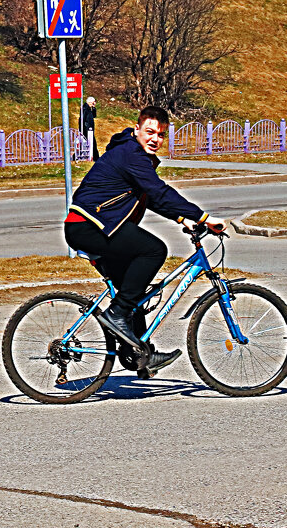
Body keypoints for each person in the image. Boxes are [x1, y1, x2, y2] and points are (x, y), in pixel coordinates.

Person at [64, 106, 226, 378]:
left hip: (98, 227)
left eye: (161, 135)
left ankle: (141, 355)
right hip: (89, 226)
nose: (155, 139)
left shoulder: (134, 154)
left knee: (133, 289)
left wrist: (181, 219)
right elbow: (158, 190)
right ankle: (117, 314)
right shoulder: (130, 154)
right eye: (149, 132)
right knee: (153, 250)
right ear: (136, 129)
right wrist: (203, 217)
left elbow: (149, 197)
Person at [80, 96, 100, 161]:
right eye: (93, 102)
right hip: (86, 129)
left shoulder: (89, 108)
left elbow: (94, 115)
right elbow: (82, 119)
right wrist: (85, 128)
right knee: (91, 143)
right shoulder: (85, 108)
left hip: (89, 129)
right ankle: (95, 158)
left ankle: (95, 157)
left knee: (92, 143)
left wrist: (93, 108)